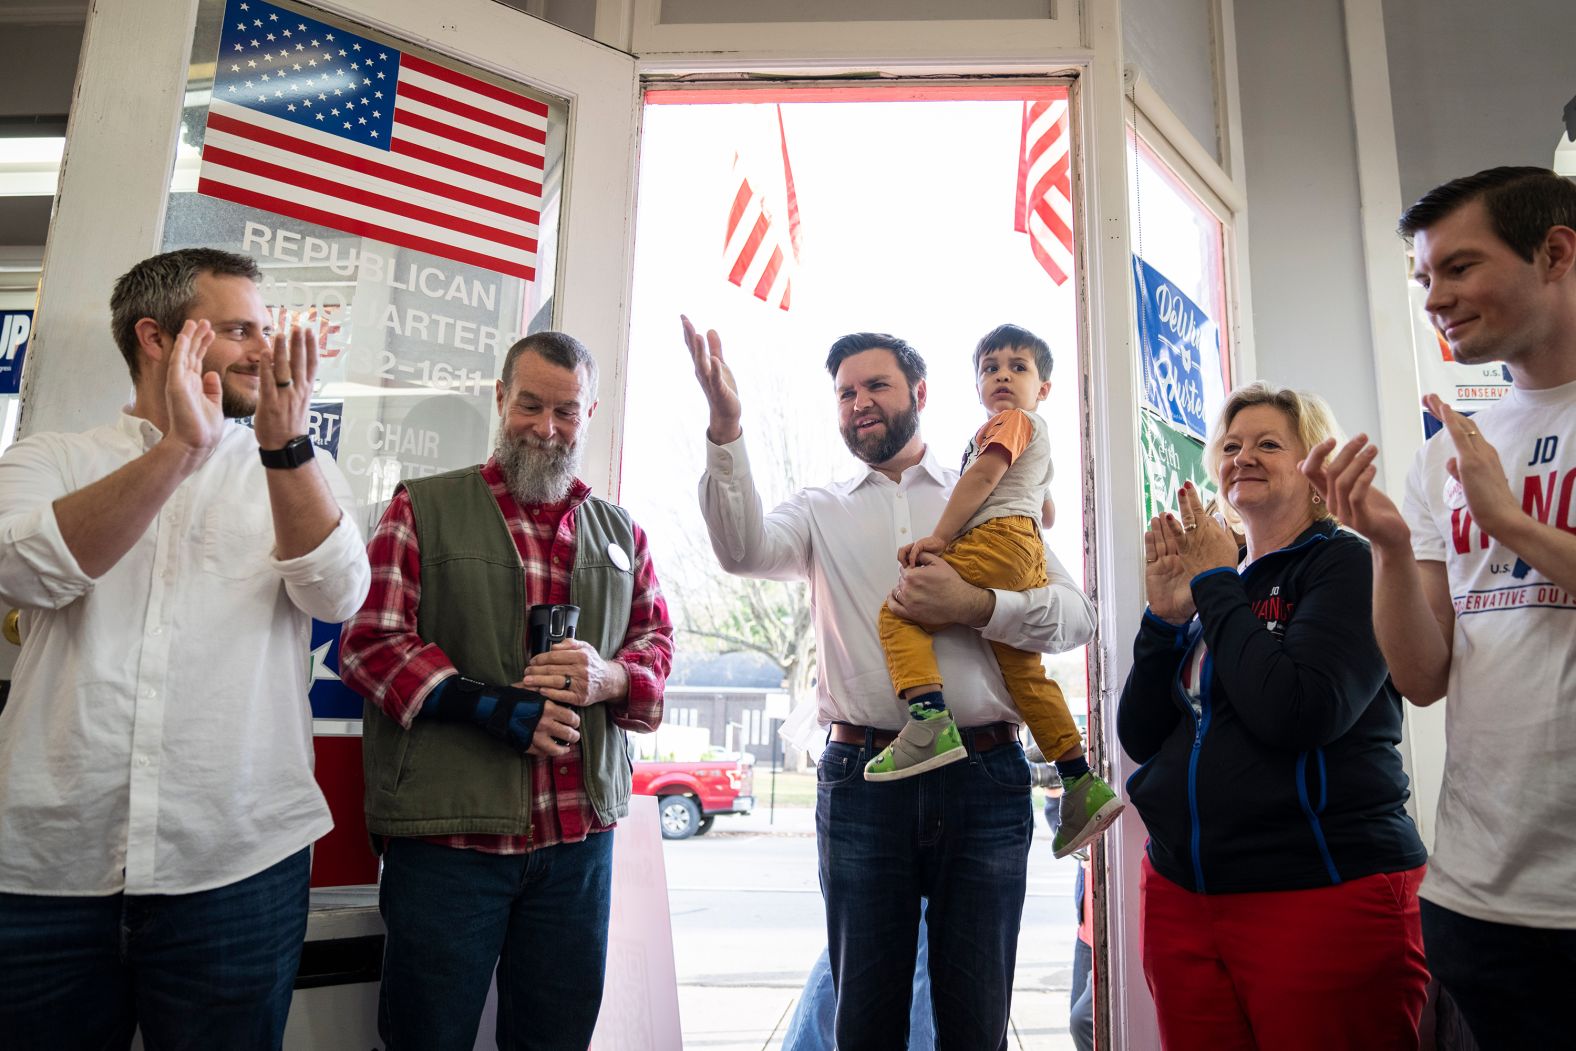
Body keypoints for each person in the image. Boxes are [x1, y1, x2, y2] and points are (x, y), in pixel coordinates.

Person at [683, 318, 1096, 1050]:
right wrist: (727, 427)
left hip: (988, 776)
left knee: (975, 1023)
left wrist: (976, 607)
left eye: (874, 384)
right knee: (864, 1019)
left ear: (921, 393)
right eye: (844, 393)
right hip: (864, 777)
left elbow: (1074, 616)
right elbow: (741, 548)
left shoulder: (990, 491)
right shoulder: (819, 508)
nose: (858, 403)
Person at [0, 248, 370, 1050]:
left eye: (266, 330)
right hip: (48, 873)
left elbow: (336, 596)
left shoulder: (300, 468)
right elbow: (23, 571)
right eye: (240, 329)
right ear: (156, 338)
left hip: (235, 865)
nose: (266, 351)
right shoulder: (49, 458)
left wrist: (285, 447)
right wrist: (180, 451)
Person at [338, 331, 673, 1051]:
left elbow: (656, 649)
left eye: (566, 411)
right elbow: (368, 644)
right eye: (529, 405)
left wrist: (609, 676)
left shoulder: (623, 533)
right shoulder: (422, 507)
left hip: (578, 845)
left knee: (555, 1039)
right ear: (499, 399)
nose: (546, 429)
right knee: (427, 1038)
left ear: (588, 414)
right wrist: (491, 707)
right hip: (450, 842)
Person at [1303, 166, 1576, 1050]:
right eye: (1424, 279)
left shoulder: (1480, 476)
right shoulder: (1447, 456)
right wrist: (1384, 545)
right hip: (1477, 891)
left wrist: (1509, 522)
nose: (1436, 298)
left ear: (1557, 253)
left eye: (1459, 268)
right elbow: (1421, 677)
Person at [1119, 383, 1430, 1050]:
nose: (1243, 456)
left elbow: (1299, 712)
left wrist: (1213, 588)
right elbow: (1141, 736)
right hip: (1184, 895)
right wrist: (1164, 620)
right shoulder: (1224, 577)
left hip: (1318, 892)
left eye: (1267, 443)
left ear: (1313, 464)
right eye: (1230, 445)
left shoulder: (1345, 561)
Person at [871, 323, 1123, 859]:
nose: (1003, 375)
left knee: (901, 612)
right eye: (991, 368)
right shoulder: (1037, 434)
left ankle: (928, 722)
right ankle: (1080, 779)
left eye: (1018, 367)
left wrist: (941, 536)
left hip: (996, 539)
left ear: (1044, 388)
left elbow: (983, 479)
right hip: (1024, 548)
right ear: (977, 383)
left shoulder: (1007, 424)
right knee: (1024, 674)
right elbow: (1046, 510)